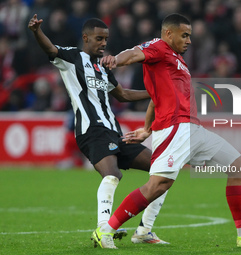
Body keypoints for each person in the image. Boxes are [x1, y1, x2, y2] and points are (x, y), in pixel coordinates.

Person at [98, 13, 241, 249]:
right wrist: (116, 60)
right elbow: (132, 54)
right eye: (184, 35)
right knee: (158, 186)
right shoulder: (158, 47)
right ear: (168, 33)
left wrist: (146, 129)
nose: (189, 40)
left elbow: (155, 99)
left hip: (192, 129)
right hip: (175, 128)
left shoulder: (176, 60)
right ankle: (106, 231)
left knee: (236, 165)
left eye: (190, 36)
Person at [28, 14, 169, 249]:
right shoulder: (72, 57)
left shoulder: (104, 67)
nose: (104, 43)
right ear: (86, 38)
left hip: (114, 132)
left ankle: (144, 230)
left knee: (163, 171)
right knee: (113, 174)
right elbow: (50, 49)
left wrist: (155, 93)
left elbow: (122, 95)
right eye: (99, 39)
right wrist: (36, 32)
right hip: (91, 130)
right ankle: (104, 229)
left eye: (106, 39)